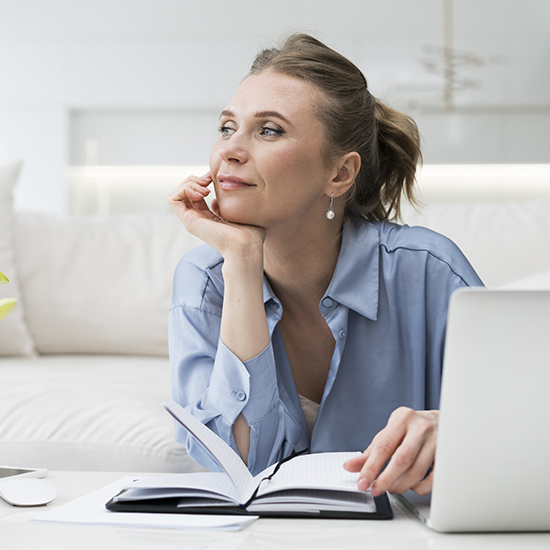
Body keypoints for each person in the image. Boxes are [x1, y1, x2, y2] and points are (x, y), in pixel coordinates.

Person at [167, 33, 483, 497]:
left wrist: (453, 428)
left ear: (339, 174)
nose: (230, 150)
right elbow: (239, 466)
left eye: (268, 130)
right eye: (227, 127)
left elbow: (523, 418)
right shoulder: (205, 280)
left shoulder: (429, 270)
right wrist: (240, 260)